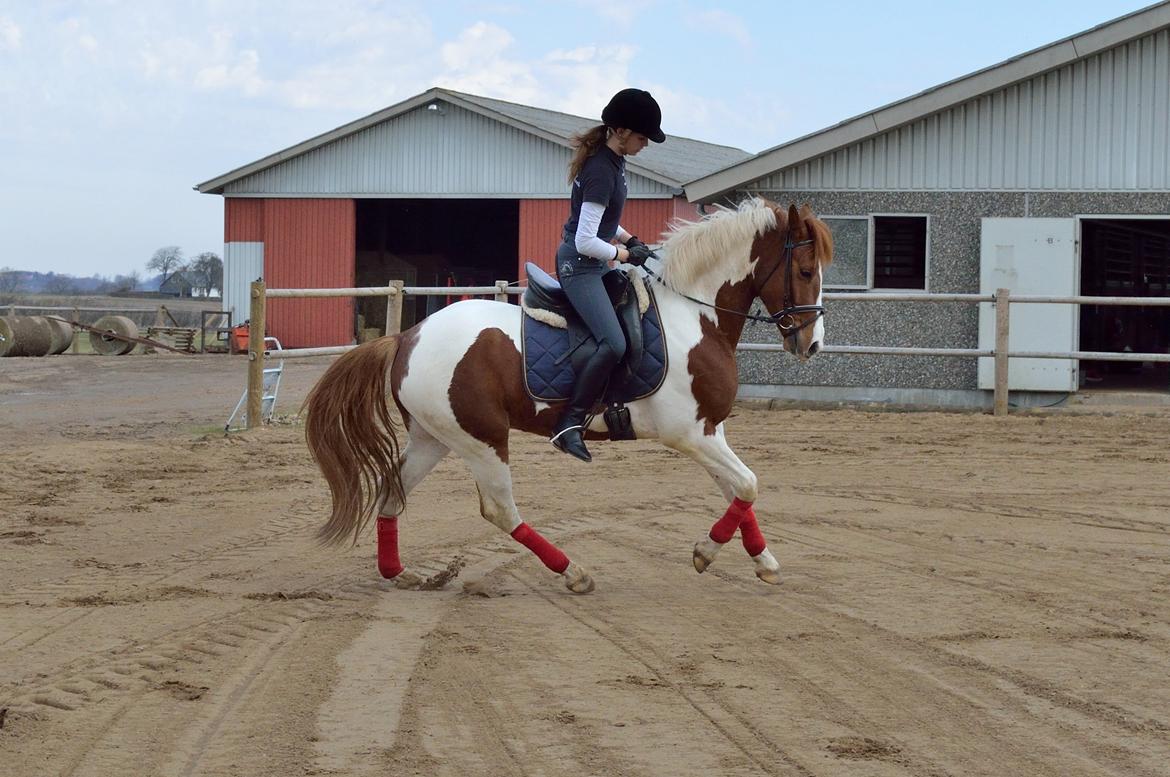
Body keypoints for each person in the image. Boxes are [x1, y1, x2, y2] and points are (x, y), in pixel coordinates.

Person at [549, 88, 665, 462]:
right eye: (642, 137)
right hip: (580, 266)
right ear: (621, 131)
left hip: (596, 263)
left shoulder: (613, 162)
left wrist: (630, 239)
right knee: (613, 343)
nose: (645, 144)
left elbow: (604, 222)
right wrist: (625, 254)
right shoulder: (601, 170)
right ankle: (569, 423)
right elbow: (585, 239)